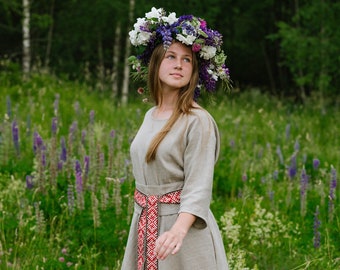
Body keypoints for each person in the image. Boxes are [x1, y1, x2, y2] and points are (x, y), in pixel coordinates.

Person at [121, 7, 231, 270]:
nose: (179, 65)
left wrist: (177, 231)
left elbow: (198, 187)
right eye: (171, 57)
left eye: (187, 60)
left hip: (182, 235)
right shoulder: (150, 115)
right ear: (155, 64)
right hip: (146, 224)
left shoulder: (197, 120)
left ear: (194, 71)